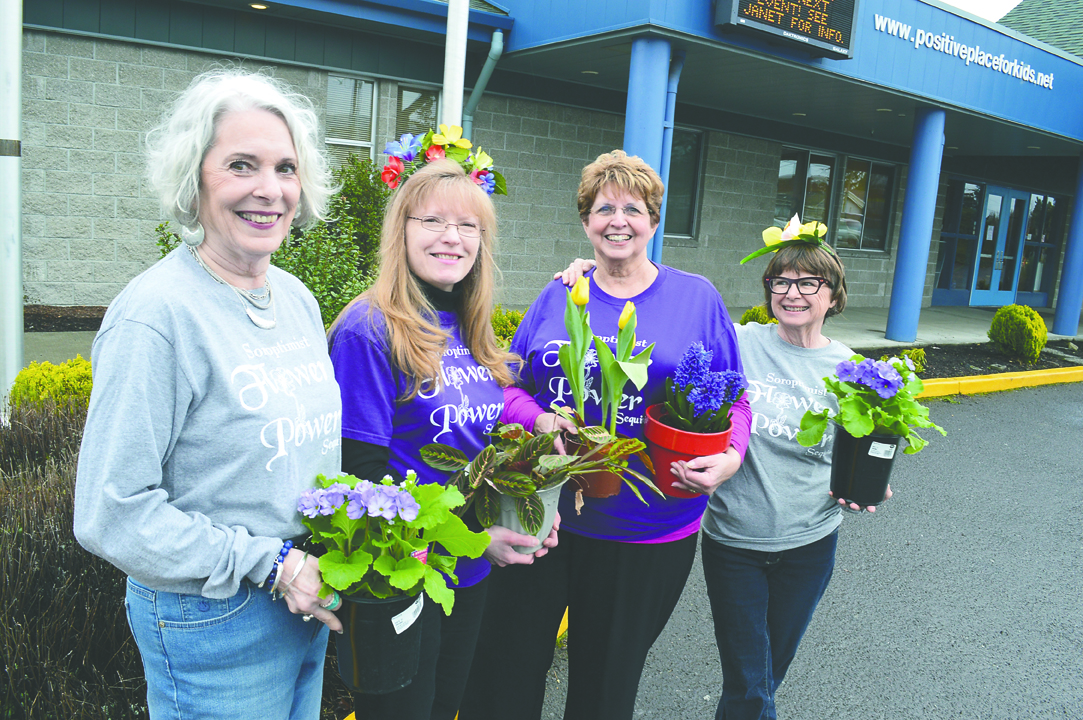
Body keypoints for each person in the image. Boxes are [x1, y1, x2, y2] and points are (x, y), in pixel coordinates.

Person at [74, 69, 343, 719]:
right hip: (213, 618)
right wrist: (270, 563)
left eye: (285, 168)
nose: (268, 189)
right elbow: (110, 511)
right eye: (241, 165)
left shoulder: (297, 301)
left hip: (305, 599)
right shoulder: (157, 316)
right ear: (194, 178)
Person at [458, 150, 752, 720]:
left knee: (605, 687)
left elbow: (733, 397)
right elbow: (508, 389)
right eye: (603, 208)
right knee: (505, 674)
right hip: (540, 516)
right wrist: (539, 419)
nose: (618, 219)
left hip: (647, 527)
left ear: (653, 221)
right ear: (586, 221)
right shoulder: (559, 295)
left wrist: (731, 457)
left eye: (633, 209)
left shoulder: (696, 299)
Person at [328, 159, 553, 720]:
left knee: (444, 707)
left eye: (468, 226)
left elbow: (480, 444)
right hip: (401, 577)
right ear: (400, 229)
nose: (452, 237)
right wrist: (476, 540)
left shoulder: (465, 324)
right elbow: (360, 478)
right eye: (432, 221)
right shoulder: (369, 329)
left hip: (467, 575)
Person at [700, 228, 889, 720]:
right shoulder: (738, 342)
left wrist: (869, 482)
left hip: (809, 545)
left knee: (764, 674)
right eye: (780, 282)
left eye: (809, 283)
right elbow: (670, 322)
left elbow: (865, 447)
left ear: (833, 294)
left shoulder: (852, 370)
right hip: (734, 542)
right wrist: (587, 277)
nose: (791, 293)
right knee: (749, 681)